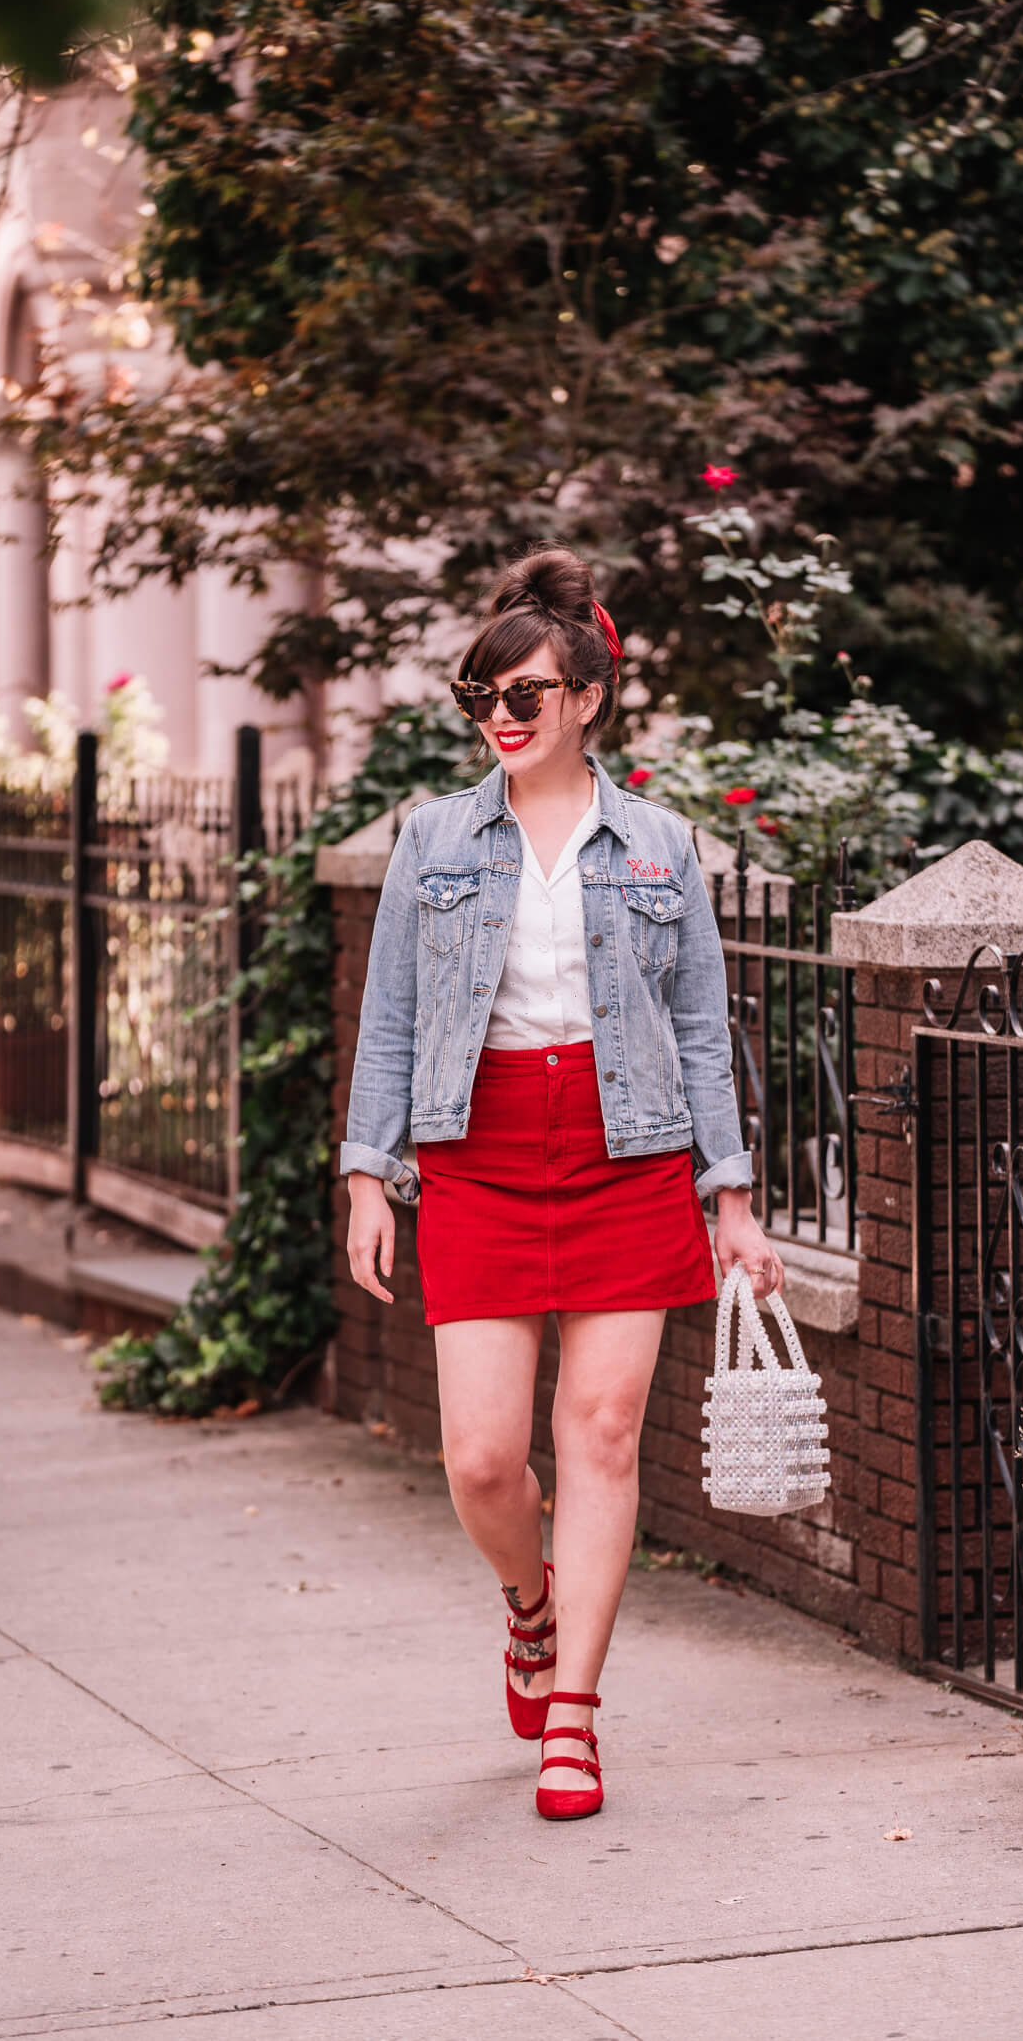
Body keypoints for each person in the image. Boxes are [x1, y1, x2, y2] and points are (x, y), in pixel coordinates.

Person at [343, 545, 784, 1822]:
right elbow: (390, 1018)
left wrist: (734, 1200)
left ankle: (575, 1714)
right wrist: (370, 1176)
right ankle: (526, 1607)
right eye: (481, 696)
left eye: (526, 695)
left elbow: (700, 1029)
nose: (502, 718)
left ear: (588, 697)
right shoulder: (433, 838)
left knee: (598, 1437)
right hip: (475, 1151)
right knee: (482, 1458)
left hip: (625, 1149)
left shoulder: (657, 845)